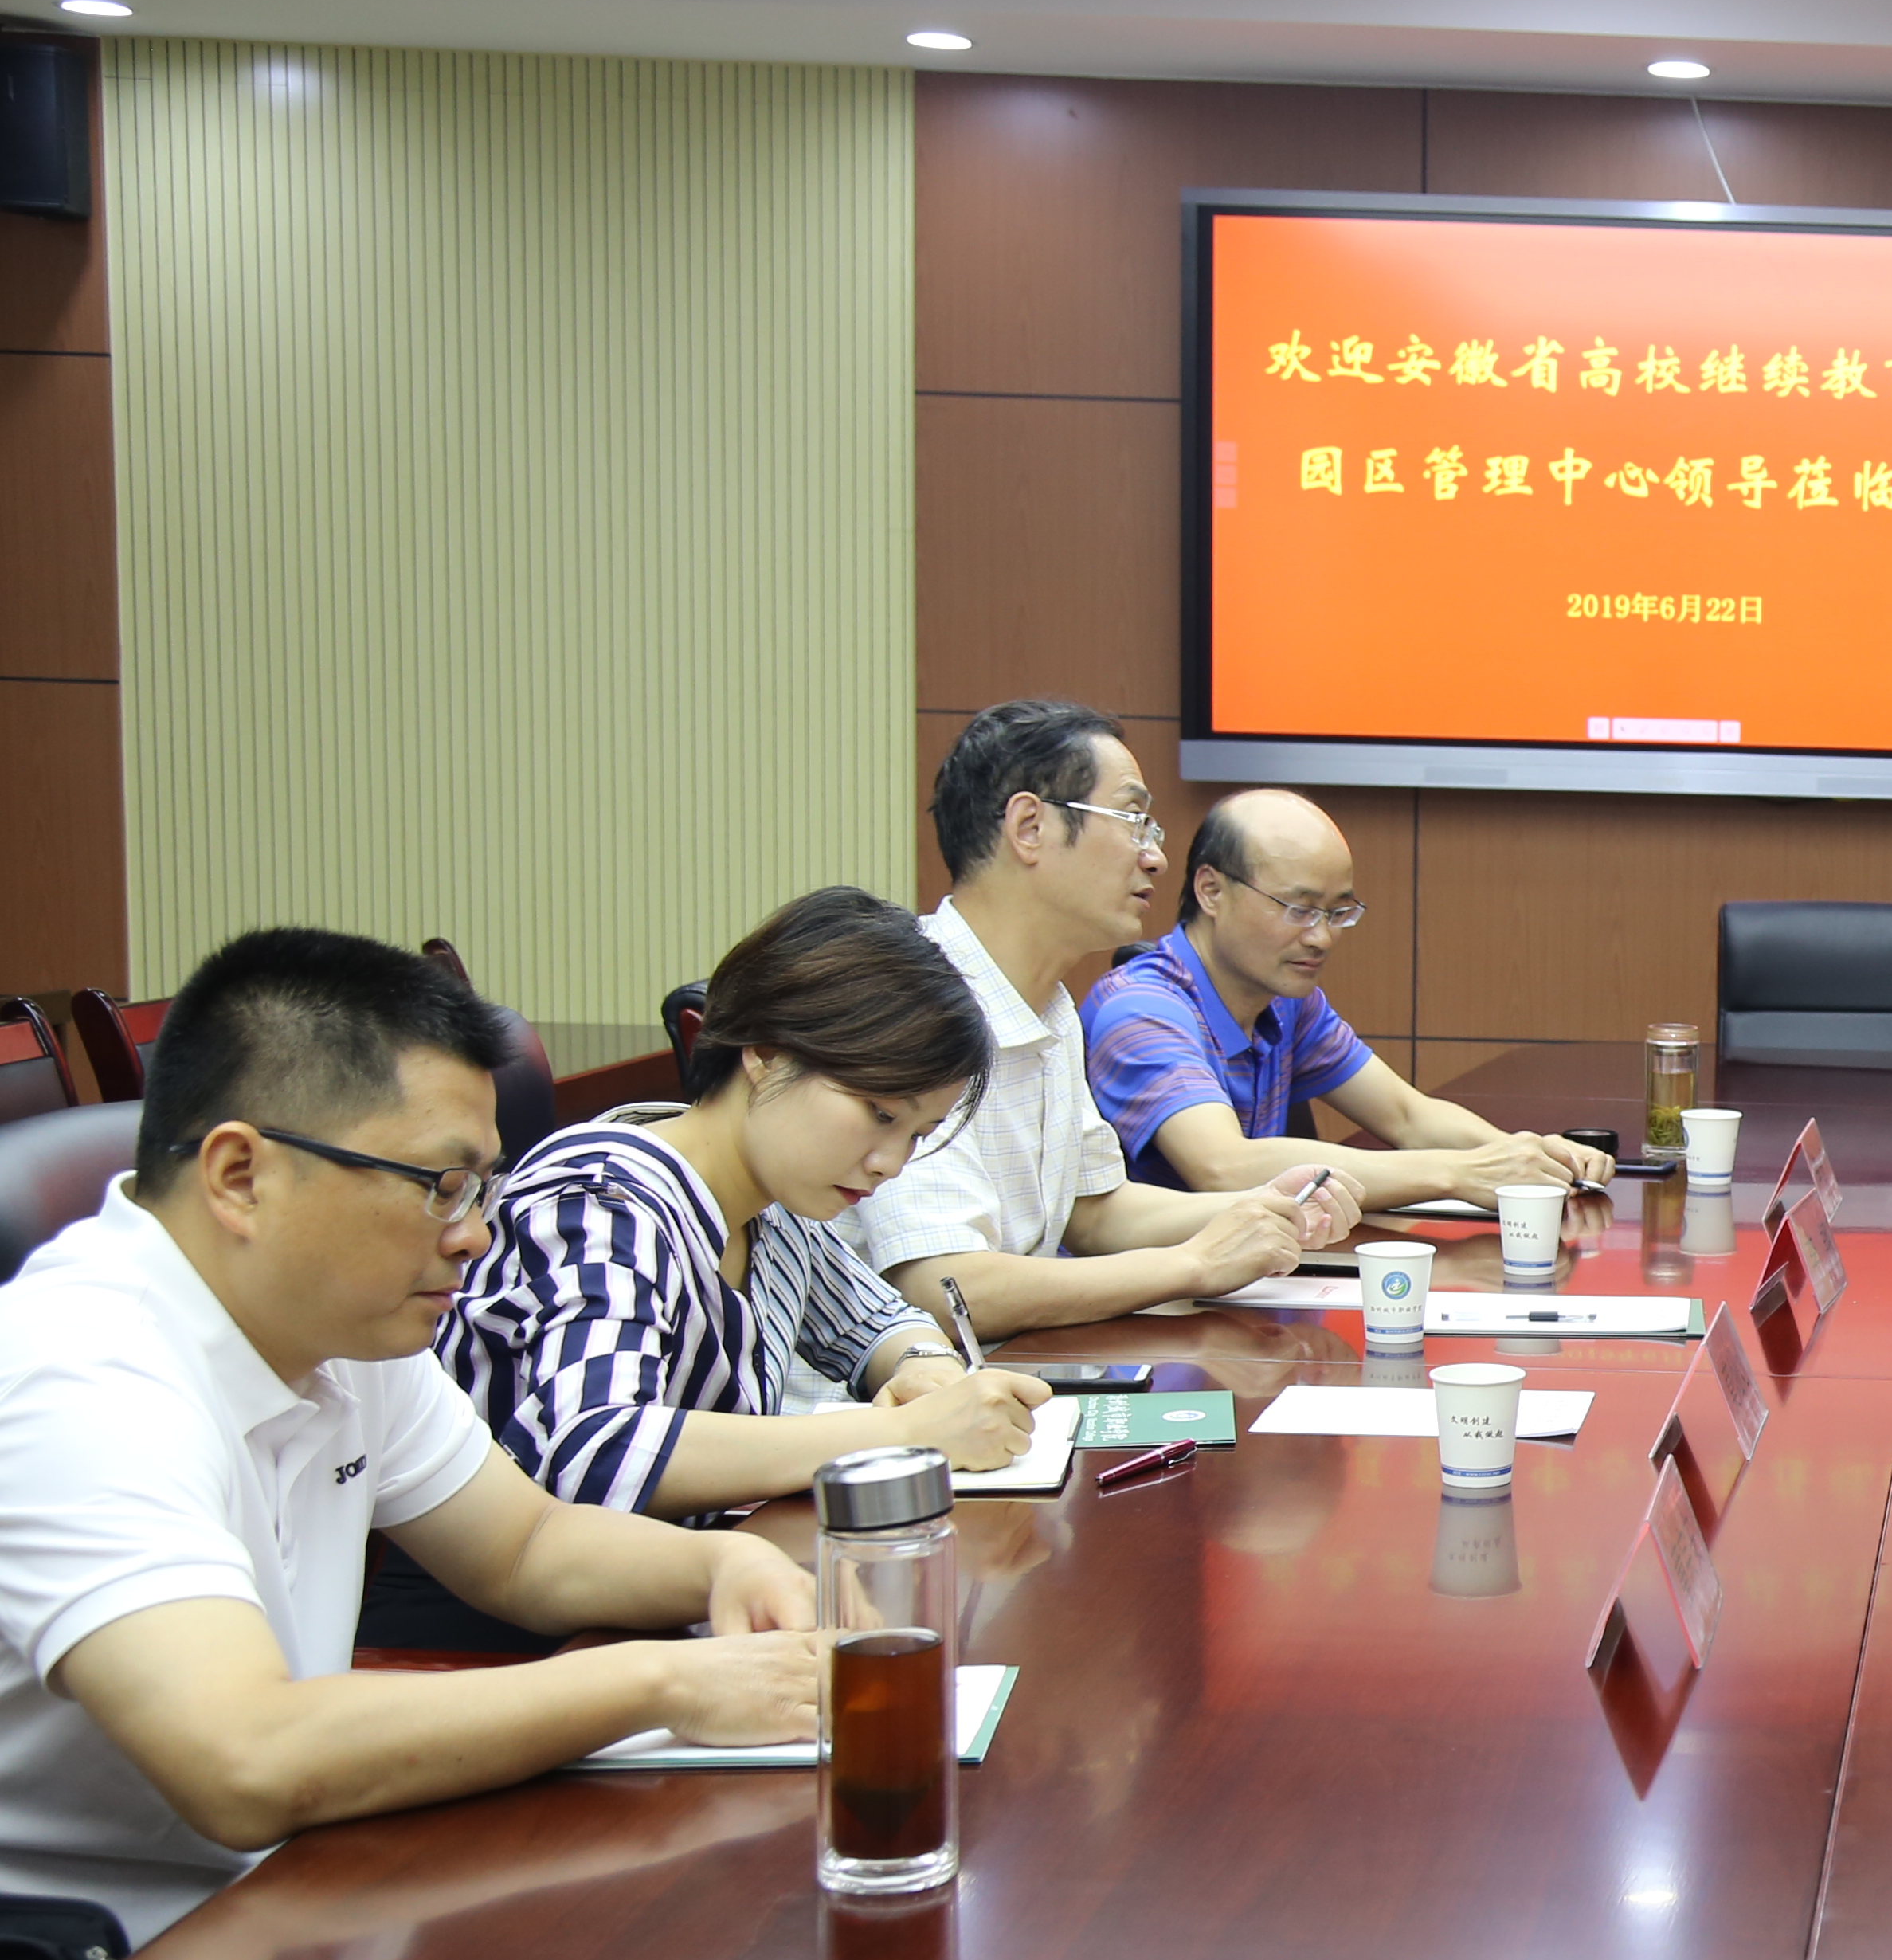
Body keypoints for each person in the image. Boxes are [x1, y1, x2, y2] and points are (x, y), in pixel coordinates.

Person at [0, 931, 818, 1958]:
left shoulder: (342, 1323)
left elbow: (525, 1547)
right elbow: (243, 1759)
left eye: (481, 1187)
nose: (474, 1234)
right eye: (441, 1185)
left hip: (290, 1899)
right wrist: (666, 1683)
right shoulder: (76, 1377)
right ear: (241, 1176)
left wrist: (725, 1565)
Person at [413, 889, 1054, 1652]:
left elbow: (878, 1322)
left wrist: (925, 1369)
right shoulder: (603, 1200)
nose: (891, 1162)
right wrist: (902, 1431)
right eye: (880, 1113)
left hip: (674, 1609)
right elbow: (601, 1449)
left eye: (919, 1133)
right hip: (501, 1642)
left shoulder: (772, 1203)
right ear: (766, 1053)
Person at [857, 700, 1365, 1337]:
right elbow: (948, 1286)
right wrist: (1193, 1265)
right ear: (1029, 826)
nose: (1155, 858)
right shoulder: (915, 1001)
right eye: (1133, 821)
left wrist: (1265, 1205)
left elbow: (1093, 1212)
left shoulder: (1049, 1007)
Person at [1082, 789, 1612, 1207]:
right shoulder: (1141, 1009)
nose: (1322, 937)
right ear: (1211, 891)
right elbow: (1223, 1167)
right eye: (1299, 909)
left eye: (1338, 912)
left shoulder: (1286, 1002)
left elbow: (1409, 1116)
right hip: (1145, 1300)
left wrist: (1526, 1154)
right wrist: (1460, 1173)